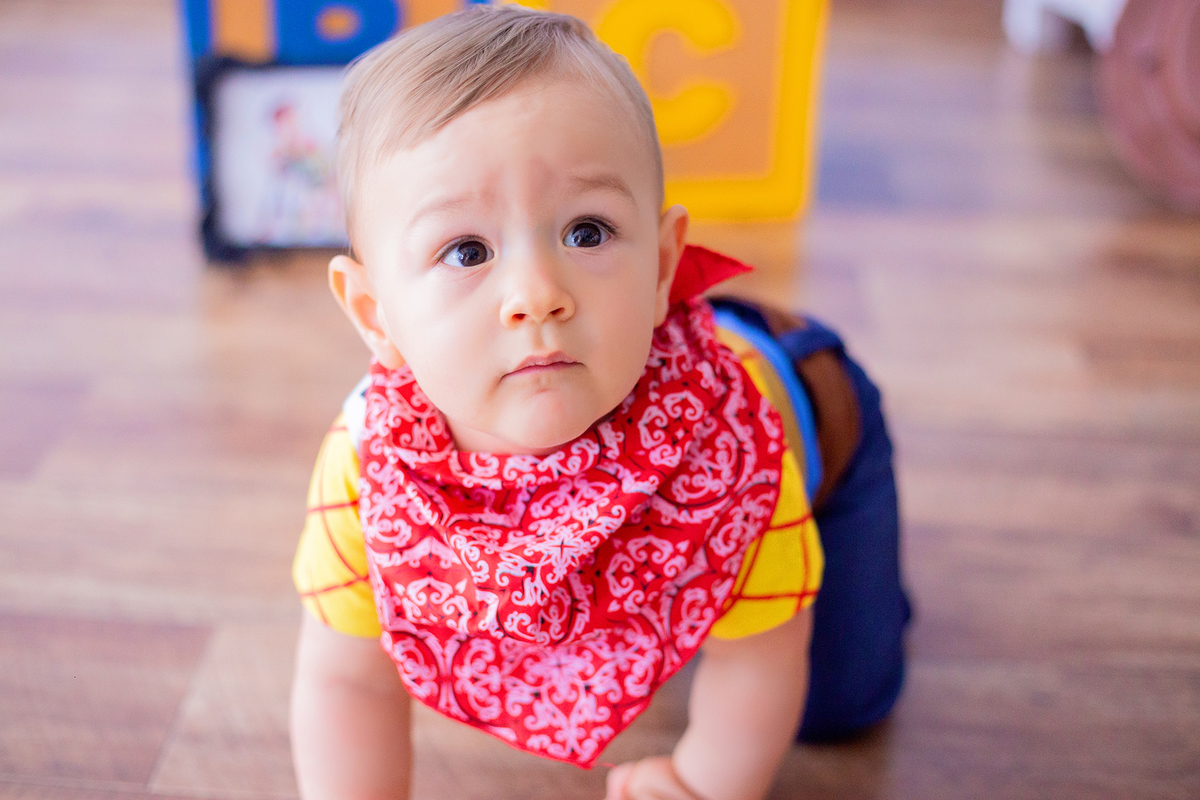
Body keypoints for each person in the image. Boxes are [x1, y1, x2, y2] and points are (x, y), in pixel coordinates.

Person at [289, 6, 910, 800]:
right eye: (467, 250)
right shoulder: (369, 469)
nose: (537, 294)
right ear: (376, 315)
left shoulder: (732, 449)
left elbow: (764, 654)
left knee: (840, 704)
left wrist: (701, 782)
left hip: (819, 422)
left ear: (662, 266)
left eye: (587, 232)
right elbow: (346, 681)